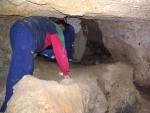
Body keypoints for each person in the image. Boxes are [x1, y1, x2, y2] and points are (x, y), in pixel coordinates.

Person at [0, 16, 69, 112]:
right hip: (26, 33)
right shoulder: (56, 30)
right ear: (60, 25)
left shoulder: (43, 25)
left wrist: (51, 55)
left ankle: (16, 98)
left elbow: (39, 46)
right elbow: (61, 52)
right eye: (63, 28)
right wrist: (66, 72)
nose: (62, 30)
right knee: (21, 73)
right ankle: (7, 106)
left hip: (15, 29)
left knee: (24, 67)